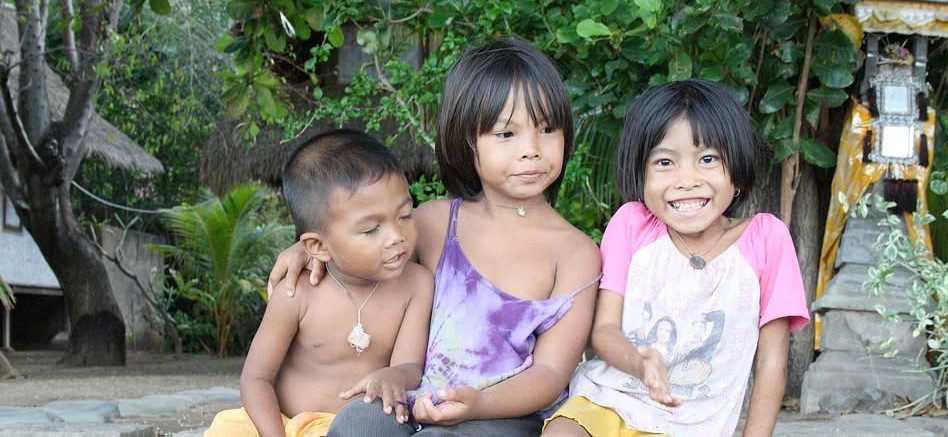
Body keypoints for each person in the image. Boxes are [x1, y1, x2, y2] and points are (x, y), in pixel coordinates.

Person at [268, 38, 601, 437]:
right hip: (416, 397)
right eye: (506, 133)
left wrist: (478, 404)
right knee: (359, 420)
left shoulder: (575, 253)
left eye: (547, 129)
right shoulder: (435, 222)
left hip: (504, 415)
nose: (531, 149)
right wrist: (305, 251)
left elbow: (550, 372)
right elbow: (360, 249)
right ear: (467, 140)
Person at [541, 79, 810, 437]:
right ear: (640, 173)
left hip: (692, 425)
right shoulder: (631, 224)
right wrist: (640, 364)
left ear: (737, 170)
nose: (687, 180)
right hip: (608, 399)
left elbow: (771, 363)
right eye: (665, 161)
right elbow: (604, 330)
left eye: (708, 159)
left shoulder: (766, 239)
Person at [204, 129, 434, 437]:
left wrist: (395, 376)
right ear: (318, 246)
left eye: (404, 215)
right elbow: (256, 378)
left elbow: (410, 366)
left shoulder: (416, 285)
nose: (397, 237)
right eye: (371, 230)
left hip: (352, 428)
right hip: (278, 423)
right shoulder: (297, 291)